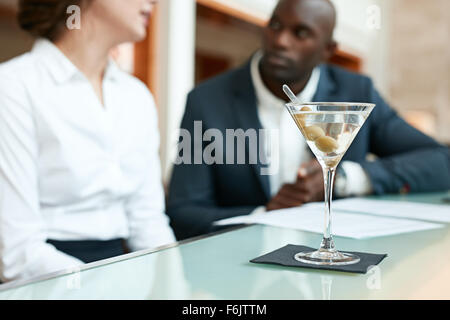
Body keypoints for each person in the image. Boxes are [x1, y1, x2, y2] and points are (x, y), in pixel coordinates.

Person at [167, 0, 450, 240]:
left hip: (339, 264)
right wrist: (265, 215)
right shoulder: (206, 101)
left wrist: (345, 179)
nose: (280, 41)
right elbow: (183, 212)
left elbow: (442, 161)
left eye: (300, 33)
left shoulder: (355, 93)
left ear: (328, 49)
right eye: (275, 25)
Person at [0, 0, 175, 282]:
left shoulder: (136, 96)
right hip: (49, 279)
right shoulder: (12, 87)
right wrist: (103, 287)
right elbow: (18, 252)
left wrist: (175, 286)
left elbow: (149, 222)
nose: (154, 1)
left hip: (125, 270)